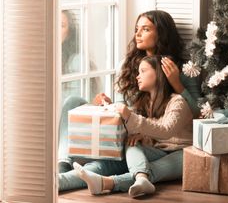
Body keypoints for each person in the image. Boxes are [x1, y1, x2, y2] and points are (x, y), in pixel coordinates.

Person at [58, 10, 200, 191]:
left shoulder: (182, 69)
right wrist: (107, 105)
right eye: (136, 29)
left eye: (146, 29)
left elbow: (197, 115)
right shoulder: (127, 65)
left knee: (102, 167)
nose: (138, 34)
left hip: (157, 141)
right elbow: (124, 109)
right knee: (73, 101)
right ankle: (62, 165)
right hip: (130, 134)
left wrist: (177, 84)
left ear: (161, 33)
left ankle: (96, 182)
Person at [72, 55, 193, 197]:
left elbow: (166, 130)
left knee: (151, 170)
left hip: (183, 152)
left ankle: (107, 183)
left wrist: (129, 116)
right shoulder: (147, 103)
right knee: (132, 142)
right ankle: (141, 179)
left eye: (143, 71)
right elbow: (134, 124)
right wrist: (109, 105)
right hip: (159, 150)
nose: (137, 76)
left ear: (158, 73)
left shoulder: (178, 102)